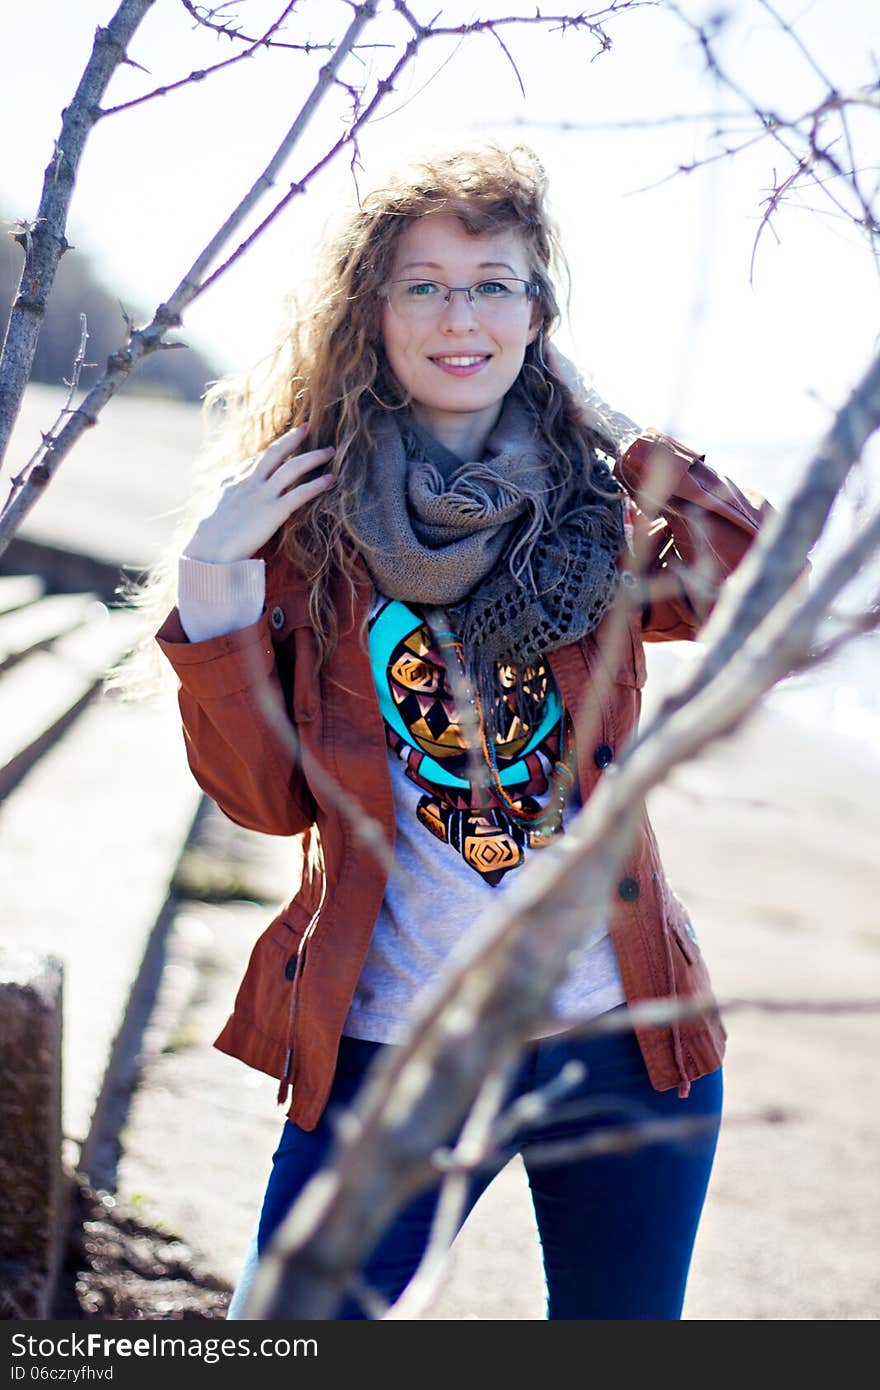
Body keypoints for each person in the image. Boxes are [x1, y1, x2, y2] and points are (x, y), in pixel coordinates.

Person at [125, 143, 771, 1319]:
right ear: (372, 315)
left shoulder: (596, 521)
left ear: (538, 313)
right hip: (387, 1045)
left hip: (619, 1039)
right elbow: (265, 804)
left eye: (492, 283)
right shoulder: (307, 532)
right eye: (422, 283)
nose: (456, 313)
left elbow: (748, 593)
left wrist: (626, 437)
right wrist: (216, 580)